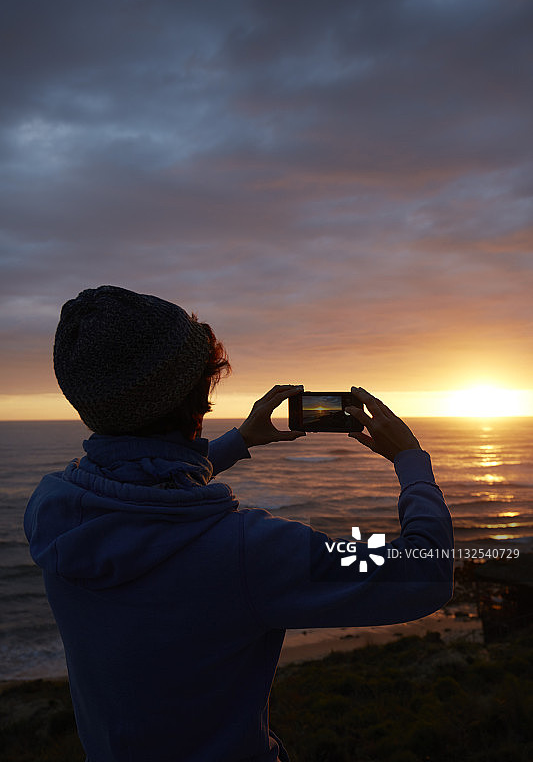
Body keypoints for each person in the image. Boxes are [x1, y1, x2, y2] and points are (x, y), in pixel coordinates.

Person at [24, 285, 454, 762]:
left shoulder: (53, 511)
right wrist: (411, 463)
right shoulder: (248, 551)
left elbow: (144, 490)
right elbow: (423, 571)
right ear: (199, 395)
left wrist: (238, 441)